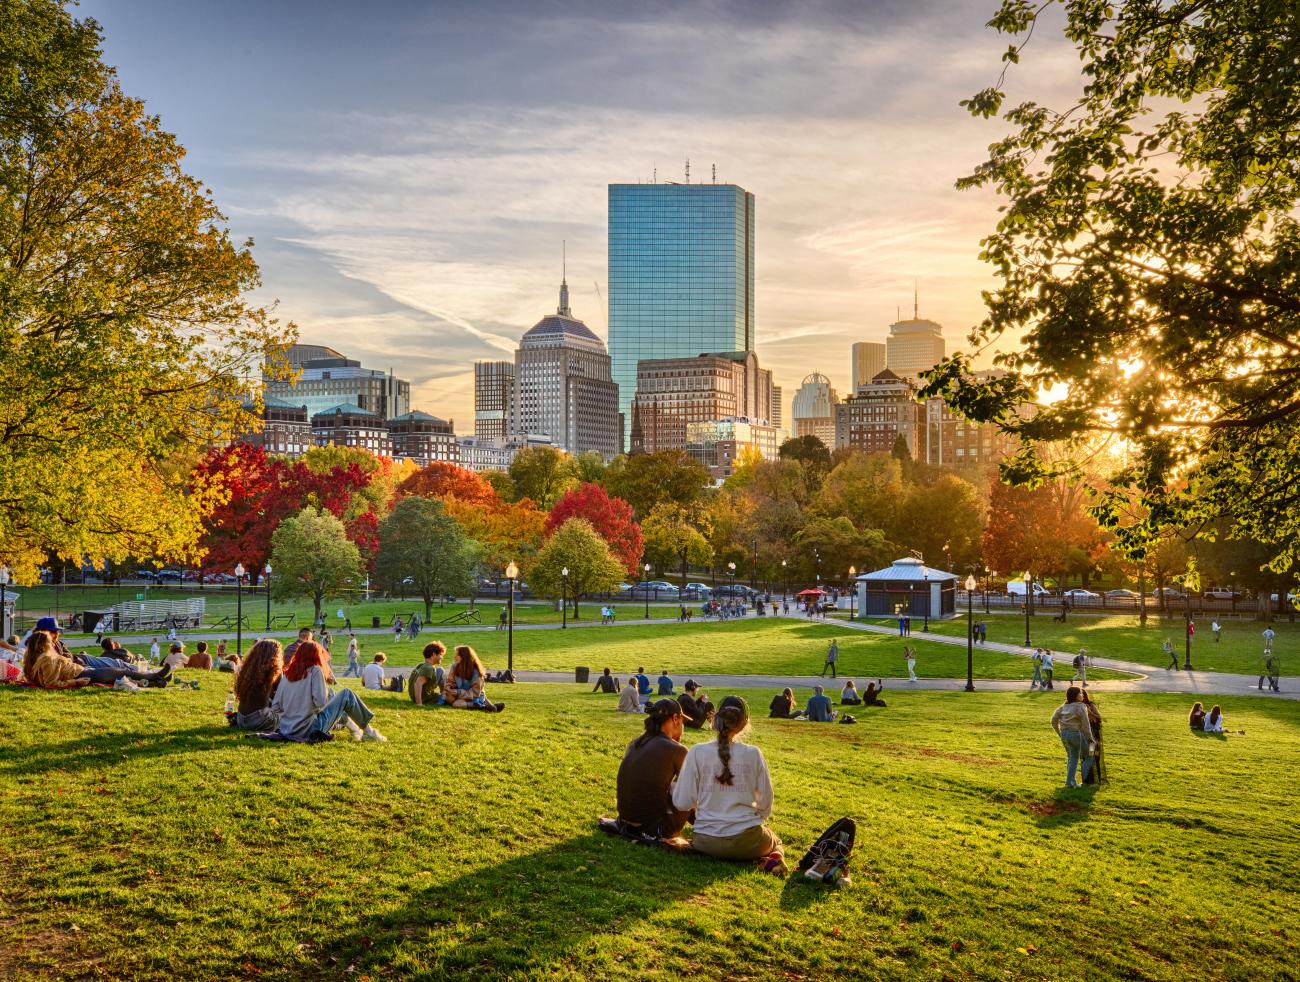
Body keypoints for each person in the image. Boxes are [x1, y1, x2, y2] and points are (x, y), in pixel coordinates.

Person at [672, 695, 785, 874]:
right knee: (776, 841)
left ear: (715, 719)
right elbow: (765, 804)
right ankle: (773, 859)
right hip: (748, 841)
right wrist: (754, 819)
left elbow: (682, 803)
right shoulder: (753, 753)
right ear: (743, 723)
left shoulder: (697, 752)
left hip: (705, 842)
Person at [269, 641, 386, 742]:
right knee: (346, 694)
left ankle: (356, 728)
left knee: (336, 697)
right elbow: (321, 702)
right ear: (317, 656)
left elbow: (275, 707)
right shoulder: (315, 670)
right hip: (310, 730)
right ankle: (368, 732)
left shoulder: (287, 675)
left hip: (287, 730)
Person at [616, 699, 693, 840]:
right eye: (683, 722)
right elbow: (690, 790)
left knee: (677, 785)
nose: (683, 727)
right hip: (654, 829)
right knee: (689, 784)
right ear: (675, 718)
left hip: (623, 821)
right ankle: (711, 826)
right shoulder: (677, 749)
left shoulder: (635, 743)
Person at [22, 631, 172, 689]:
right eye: (50, 642)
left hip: (82, 671)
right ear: (43, 644)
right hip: (81, 675)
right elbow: (50, 683)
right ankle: (153, 676)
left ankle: (156, 682)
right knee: (122, 671)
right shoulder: (47, 659)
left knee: (119, 676)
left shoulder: (33, 659)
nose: (52, 644)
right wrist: (75, 683)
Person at [232, 639, 283, 731]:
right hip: (259, 719)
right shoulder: (273, 670)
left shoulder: (246, 669)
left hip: (241, 718)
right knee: (291, 717)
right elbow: (283, 696)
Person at [1050, 686, 1093, 788]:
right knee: (1089, 756)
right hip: (1076, 734)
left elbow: (1053, 721)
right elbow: (1086, 725)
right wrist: (1091, 738)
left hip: (1065, 735)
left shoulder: (1063, 707)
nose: (1082, 695)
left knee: (1073, 757)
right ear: (1075, 696)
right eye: (1080, 693)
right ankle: (1085, 782)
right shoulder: (1081, 706)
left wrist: (1060, 733)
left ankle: (1069, 783)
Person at [443, 644, 504, 712]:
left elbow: (475, 693)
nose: (454, 657)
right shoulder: (454, 666)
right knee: (448, 697)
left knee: (457, 704)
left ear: (464, 657)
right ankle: (488, 705)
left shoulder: (476, 672)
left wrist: (459, 692)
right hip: (460, 694)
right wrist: (449, 687)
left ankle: (482, 706)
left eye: (457, 655)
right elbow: (450, 681)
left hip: (474, 697)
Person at [409, 642, 446, 706]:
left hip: (414, 697)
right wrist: (419, 703)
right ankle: (443, 695)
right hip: (425, 699)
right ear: (434, 654)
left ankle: (443, 694)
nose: (442, 657)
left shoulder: (421, 665)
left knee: (439, 670)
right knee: (441, 670)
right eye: (440, 654)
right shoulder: (429, 668)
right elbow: (418, 684)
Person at [1080, 691, 1103, 785]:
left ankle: (1095, 780)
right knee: (1085, 757)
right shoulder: (1076, 706)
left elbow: (1099, 717)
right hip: (1083, 734)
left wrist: (1090, 713)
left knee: (1093, 755)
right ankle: (1086, 780)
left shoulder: (1090, 705)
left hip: (1093, 735)